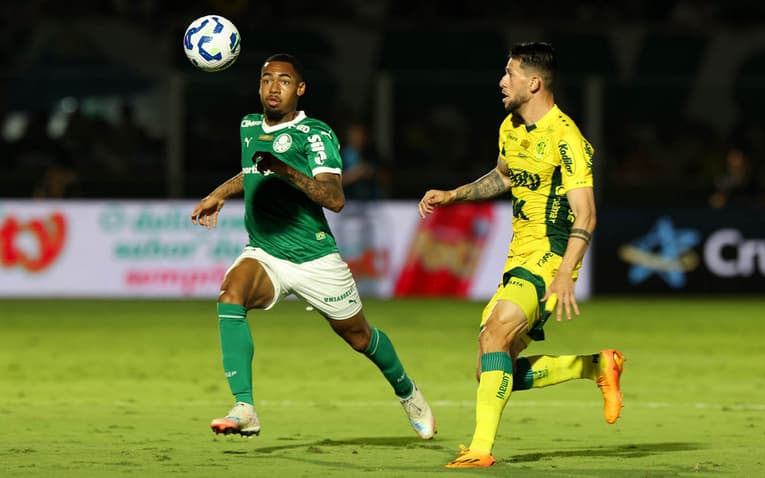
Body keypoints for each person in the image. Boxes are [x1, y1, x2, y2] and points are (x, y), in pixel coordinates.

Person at [190, 53, 435, 440]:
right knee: (230, 295)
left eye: (284, 80)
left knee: (359, 336)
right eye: (267, 79)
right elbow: (253, 170)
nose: (274, 87)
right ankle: (245, 407)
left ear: (300, 89)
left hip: (314, 258)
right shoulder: (249, 125)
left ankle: (408, 392)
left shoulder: (315, 134)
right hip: (265, 251)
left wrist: (285, 169)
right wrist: (219, 193)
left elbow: (335, 198)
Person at [417, 42, 624, 468]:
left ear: (533, 82)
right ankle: (594, 366)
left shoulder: (566, 138)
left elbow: (586, 212)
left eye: (509, 73)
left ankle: (480, 450)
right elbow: (503, 176)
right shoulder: (510, 127)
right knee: (491, 369)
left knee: (494, 336)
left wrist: (565, 273)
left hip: (550, 256)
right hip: (517, 258)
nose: (501, 81)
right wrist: (453, 195)